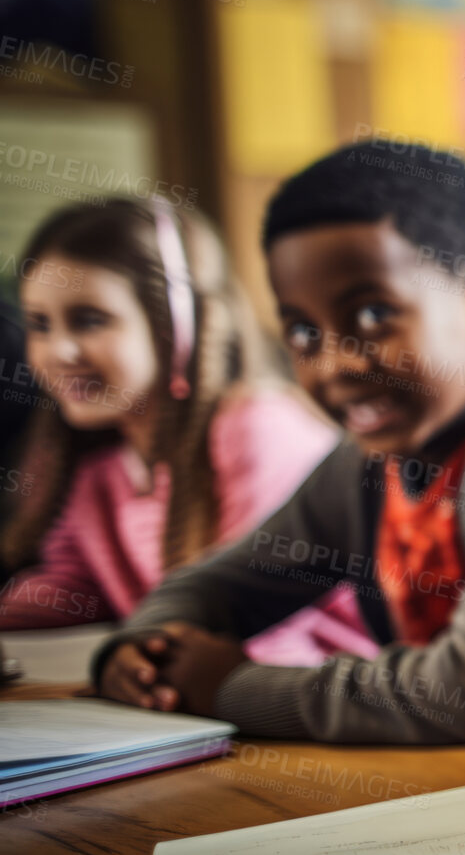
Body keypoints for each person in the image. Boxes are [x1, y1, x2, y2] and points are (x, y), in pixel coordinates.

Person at [92, 140, 465, 743]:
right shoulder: (369, 463)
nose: (334, 364)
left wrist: (231, 688)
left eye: (373, 316)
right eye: (302, 331)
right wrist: (142, 653)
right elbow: (216, 588)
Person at [0, 198, 367, 664]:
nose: (59, 350)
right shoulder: (102, 471)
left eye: (90, 320)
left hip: (318, 708)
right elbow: (69, 590)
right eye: (39, 325)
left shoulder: (257, 428)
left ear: (177, 326)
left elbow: (262, 630)